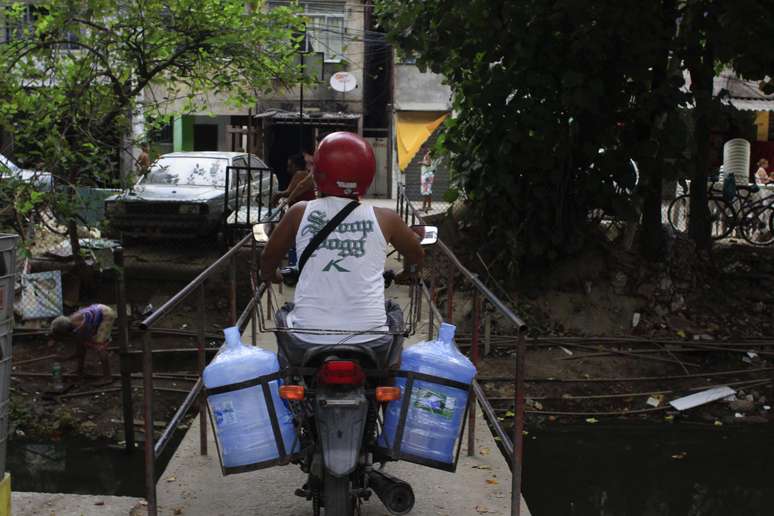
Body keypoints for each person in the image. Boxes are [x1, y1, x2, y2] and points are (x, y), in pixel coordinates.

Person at [260, 132, 424, 346]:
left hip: (307, 339)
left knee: (285, 314)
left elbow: (268, 257)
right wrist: (408, 273)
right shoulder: (387, 218)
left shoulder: (298, 212)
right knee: (393, 313)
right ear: (368, 174)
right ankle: (390, 377)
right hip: (371, 341)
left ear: (317, 173)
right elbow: (416, 254)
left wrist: (273, 275)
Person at [48, 304, 116, 385]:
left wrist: (63, 358)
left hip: (106, 315)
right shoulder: (69, 322)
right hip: (99, 309)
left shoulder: (80, 329)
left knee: (100, 346)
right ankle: (80, 370)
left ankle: (107, 378)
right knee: (82, 344)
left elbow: (79, 352)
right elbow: (80, 349)